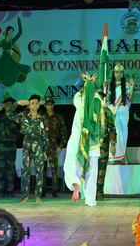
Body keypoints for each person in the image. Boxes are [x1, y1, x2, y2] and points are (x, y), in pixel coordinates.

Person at [70, 73, 106, 206]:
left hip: (81, 141)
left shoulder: (80, 102)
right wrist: (92, 84)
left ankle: (77, 188)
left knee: (78, 166)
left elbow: (76, 97)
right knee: (92, 171)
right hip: (94, 143)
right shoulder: (98, 102)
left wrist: (86, 83)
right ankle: (90, 200)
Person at [5, 94, 48, 203]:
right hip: (27, 142)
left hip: (38, 143)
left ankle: (38, 196)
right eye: (32, 103)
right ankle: (25, 195)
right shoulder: (23, 116)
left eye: (36, 103)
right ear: (29, 105)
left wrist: (44, 150)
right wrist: (16, 104)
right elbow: (9, 114)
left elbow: (45, 135)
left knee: (40, 171)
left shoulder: (42, 118)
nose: (34, 105)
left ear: (39, 105)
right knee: (25, 171)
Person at [0, 18, 32, 88]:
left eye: (12, 31)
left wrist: (18, 20)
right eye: (10, 31)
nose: (11, 32)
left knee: (9, 70)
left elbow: (20, 32)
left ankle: (9, 83)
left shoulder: (12, 41)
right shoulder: (3, 41)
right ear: (7, 31)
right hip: (3, 58)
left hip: (8, 58)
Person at [107, 63, 135, 164]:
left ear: (123, 74)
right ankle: (111, 158)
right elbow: (106, 100)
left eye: (121, 72)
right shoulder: (109, 86)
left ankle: (120, 156)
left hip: (122, 114)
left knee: (121, 134)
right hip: (111, 113)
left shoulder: (126, 86)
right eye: (117, 72)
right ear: (114, 73)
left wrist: (131, 88)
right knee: (111, 133)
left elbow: (130, 99)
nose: (119, 74)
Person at [41, 97, 68, 197]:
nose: (50, 106)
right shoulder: (41, 117)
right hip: (43, 144)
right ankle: (42, 190)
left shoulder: (58, 117)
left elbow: (64, 133)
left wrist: (61, 146)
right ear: (45, 105)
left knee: (54, 168)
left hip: (53, 143)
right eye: (48, 104)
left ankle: (54, 190)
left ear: (54, 105)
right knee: (42, 168)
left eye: (51, 104)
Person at [0, 95, 19, 197]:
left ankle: (10, 191)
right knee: (0, 169)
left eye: (11, 104)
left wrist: (13, 139)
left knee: (10, 170)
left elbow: (19, 132)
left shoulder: (15, 117)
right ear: (3, 106)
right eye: (7, 104)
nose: (9, 106)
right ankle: (1, 191)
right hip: (0, 145)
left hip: (11, 145)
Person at [96, 91, 117, 200]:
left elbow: (112, 127)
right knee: (91, 168)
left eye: (101, 98)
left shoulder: (106, 111)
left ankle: (99, 192)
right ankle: (89, 191)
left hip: (103, 144)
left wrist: (113, 144)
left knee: (102, 168)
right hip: (91, 144)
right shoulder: (89, 110)